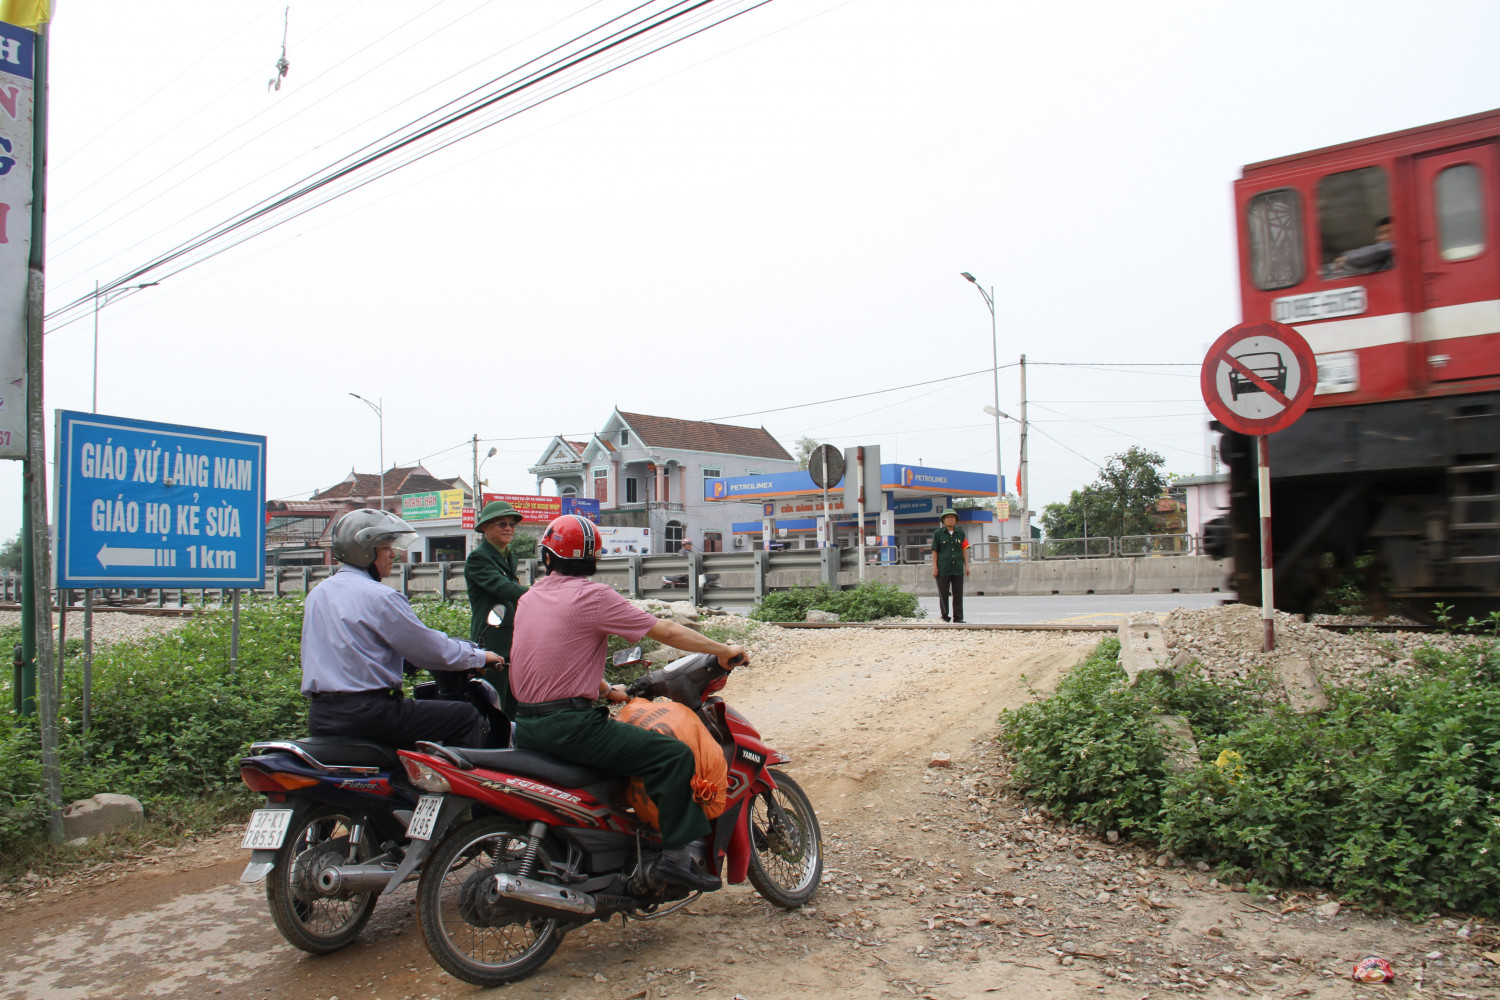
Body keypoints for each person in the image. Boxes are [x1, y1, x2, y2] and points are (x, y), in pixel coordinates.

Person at [508, 513, 746, 893]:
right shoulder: (593, 596)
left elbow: (554, 655)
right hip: (571, 726)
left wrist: (605, 690)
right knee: (672, 755)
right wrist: (723, 649)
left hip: (528, 724)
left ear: (547, 557)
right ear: (594, 561)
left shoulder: (530, 597)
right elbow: (665, 629)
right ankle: (675, 857)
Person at [301, 508, 503, 748]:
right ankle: (449, 786)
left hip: (322, 715)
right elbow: (429, 649)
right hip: (371, 714)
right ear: (364, 551)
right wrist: (480, 657)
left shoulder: (319, 593)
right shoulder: (381, 596)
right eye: (386, 548)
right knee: (464, 717)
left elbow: (345, 647)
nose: (393, 556)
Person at [464, 500, 528, 681]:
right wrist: (537, 595)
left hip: (512, 641)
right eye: (502, 524)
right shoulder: (478, 558)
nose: (508, 528)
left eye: (512, 524)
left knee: (514, 702)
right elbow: (503, 587)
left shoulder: (508, 556)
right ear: (485, 527)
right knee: (495, 701)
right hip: (491, 641)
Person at [931, 507, 970, 623]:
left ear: (956, 520)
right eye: (947, 518)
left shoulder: (960, 533)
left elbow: (964, 550)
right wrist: (935, 567)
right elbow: (934, 551)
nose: (950, 519)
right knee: (943, 593)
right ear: (943, 520)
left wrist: (967, 566)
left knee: (958, 593)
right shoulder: (938, 533)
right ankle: (945, 617)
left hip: (957, 568)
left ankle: (958, 617)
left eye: (952, 517)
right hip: (943, 568)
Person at [1328, 217, 1394, 277]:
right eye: (1378, 234)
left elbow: (1358, 258)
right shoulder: (1381, 260)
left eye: (1383, 233)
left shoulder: (1394, 247)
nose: (1377, 238)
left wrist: (1347, 258)